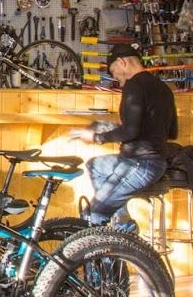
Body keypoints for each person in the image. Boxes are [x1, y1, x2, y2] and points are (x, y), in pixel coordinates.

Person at [66, 42, 178, 225]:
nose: (115, 77)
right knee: (95, 165)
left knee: (94, 213)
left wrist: (96, 137)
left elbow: (130, 132)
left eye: (113, 71)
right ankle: (122, 219)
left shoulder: (133, 86)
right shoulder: (164, 88)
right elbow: (172, 132)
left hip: (139, 165)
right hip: (156, 163)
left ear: (122, 62)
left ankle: (124, 235)